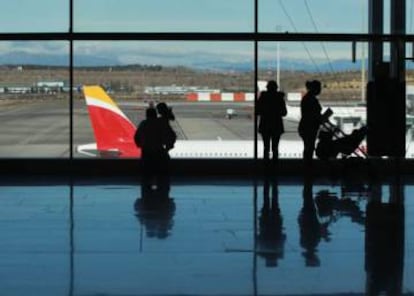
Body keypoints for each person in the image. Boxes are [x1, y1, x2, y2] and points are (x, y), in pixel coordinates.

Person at [134, 107, 168, 197]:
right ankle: (161, 191)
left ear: (147, 115)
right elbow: (166, 136)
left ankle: (147, 191)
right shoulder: (160, 124)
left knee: (147, 172)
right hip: (158, 150)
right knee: (160, 172)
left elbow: (136, 137)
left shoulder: (144, 124)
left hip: (147, 151)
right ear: (155, 114)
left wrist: (140, 145)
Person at [256, 80, 287, 168]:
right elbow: (284, 112)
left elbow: (258, 111)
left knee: (266, 148)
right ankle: (275, 167)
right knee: (275, 148)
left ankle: (266, 167)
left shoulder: (263, 97)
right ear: (276, 88)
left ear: (267, 88)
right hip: (276, 126)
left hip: (265, 126)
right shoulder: (279, 98)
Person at [298, 80, 323, 166]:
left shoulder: (308, 98)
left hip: (306, 126)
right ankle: (308, 166)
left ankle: (307, 166)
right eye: (319, 88)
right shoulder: (311, 99)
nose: (320, 90)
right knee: (309, 148)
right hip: (309, 127)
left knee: (308, 147)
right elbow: (313, 114)